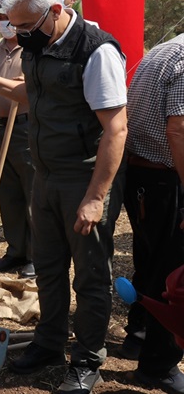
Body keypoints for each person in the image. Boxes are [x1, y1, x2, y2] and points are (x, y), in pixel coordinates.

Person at [0, 0, 127, 394]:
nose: (18, 34)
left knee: (90, 276)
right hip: (46, 175)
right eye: (14, 26)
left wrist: (95, 198)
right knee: (49, 268)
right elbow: (31, 93)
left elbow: (116, 129)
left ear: (55, 11)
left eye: (25, 26)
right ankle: (50, 343)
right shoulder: (39, 45)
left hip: (83, 178)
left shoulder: (96, 51)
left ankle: (87, 361)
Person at [122, 33, 184, 393]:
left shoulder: (166, 49)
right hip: (166, 178)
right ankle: (158, 366)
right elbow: (178, 130)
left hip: (145, 176)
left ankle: (139, 336)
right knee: (173, 276)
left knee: (151, 262)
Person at [0, 0, 35, 279]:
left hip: (25, 128)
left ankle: (37, 255)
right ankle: (16, 250)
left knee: (32, 192)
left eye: (7, 16)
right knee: (7, 193)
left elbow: (28, 86)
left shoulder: (32, 49)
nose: (3, 22)